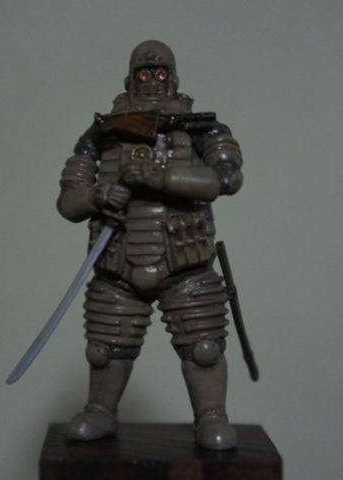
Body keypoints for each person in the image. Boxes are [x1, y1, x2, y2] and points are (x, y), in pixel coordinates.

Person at [56, 40, 243, 450]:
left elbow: (226, 180)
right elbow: (68, 202)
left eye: (159, 73)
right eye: (143, 73)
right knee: (104, 350)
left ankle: (211, 415)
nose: (152, 80)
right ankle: (100, 410)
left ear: (173, 79)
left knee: (204, 348)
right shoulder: (101, 133)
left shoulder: (202, 128)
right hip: (117, 262)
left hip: (185, 261)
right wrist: (97, 195)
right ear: (130, 80)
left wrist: (164, 179)